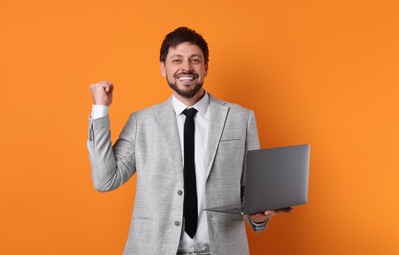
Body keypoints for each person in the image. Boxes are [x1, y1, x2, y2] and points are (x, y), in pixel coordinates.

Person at [87, 27, 291, 255]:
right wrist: (100, 110)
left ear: (206, 67)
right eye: (177, 60)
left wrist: (258, 216)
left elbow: (252, 194)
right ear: (163, 68)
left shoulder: (241, 118)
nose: (186, 68)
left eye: (195, 60)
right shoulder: (141, 122)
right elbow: (105, 180)